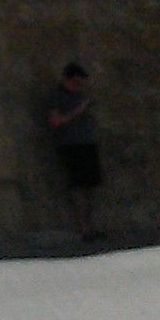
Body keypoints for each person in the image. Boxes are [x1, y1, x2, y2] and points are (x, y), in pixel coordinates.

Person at [46, 60, 104, 241]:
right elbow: (55, 121)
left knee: (90, 188)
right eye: (75, 82)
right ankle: (83, 228)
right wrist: (76, 112)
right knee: (78, 187)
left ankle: (91, 226)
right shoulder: (56, 97)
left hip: (86, 143)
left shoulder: (79, 96)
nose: (77, 86)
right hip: (71, 145)